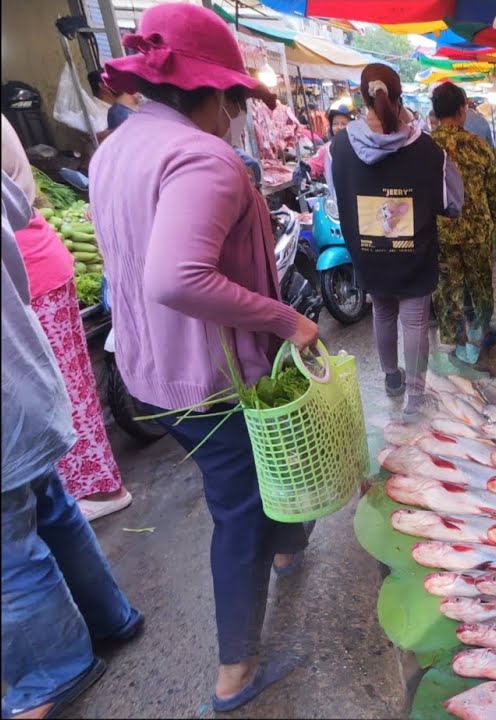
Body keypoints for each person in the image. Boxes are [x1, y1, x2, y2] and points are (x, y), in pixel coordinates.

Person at [89, 4, 320, 711]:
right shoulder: (203, 157)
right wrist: (288, 320)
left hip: (148, 369)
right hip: (208, 380)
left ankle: (288, 550)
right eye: (238, 99)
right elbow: (176, 277)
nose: (237, 114)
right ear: (216, 95)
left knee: (259, 476)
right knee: (239, 509)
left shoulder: (117, 147)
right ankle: (234, 674)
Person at [2, 170, 146, 720]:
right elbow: (21, 209)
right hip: (22, 376)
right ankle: (111, 616)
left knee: (10, 558)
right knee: (53, 509)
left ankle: (51, 673)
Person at [2, 116, 133, 521]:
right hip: (36, 264)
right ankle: (91, 487)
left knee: (67, 390)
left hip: (31, 270)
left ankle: (103, 489)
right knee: (67, 386)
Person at [327, 64, 462, 412]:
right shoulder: (430, 152)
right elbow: (453, 204)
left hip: (369, 255)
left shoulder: (337, 149)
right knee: (414, 320)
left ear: (362, 98)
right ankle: (415, 397)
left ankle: (391, 377)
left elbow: (336, 200)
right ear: (399, 99)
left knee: (382, 312)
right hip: (413, 256)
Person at [429, 82, 496, 365]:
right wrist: (490, 226)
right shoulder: (479, 147)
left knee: (448, 287)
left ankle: (457, 340)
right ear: (462, 111)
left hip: (441, 231)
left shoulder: (426, 148)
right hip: (476, 230)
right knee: (481, 285)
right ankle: (481, 332)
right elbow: (494, 196)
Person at [305, 107, 352, 180]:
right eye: (335, 124)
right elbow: (311, 166)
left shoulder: (359, 145)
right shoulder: (327, 148)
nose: (338, 127)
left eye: (343, 124)